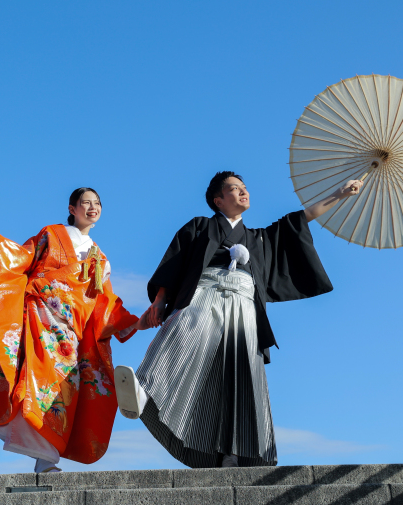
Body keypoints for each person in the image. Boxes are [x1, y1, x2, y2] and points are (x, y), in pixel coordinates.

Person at [114, 171, 362, 468]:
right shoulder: (199, 226)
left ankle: (231, 454)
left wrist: (339, 193)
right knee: (182, 330)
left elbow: (300, 219)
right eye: (234, 189)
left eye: (245, 188)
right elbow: (173, 264)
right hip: (205, 293)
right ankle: (144, 391)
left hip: (244, 304)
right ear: (218, 200)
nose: (243, 192)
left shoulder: (258, 238)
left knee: (239, 374)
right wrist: (159, 301)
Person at [0, 187, 148, 473]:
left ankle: (32, 453)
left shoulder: (100, 260)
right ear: (72, 208)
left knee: (59, 391)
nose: (92, 207)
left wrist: (136, 322)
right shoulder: (51, 235)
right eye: (85, 203)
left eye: (97, 203)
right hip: (40, 316)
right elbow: (22, 256)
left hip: (70, 335)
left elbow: (105, 303)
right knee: (27, 377)